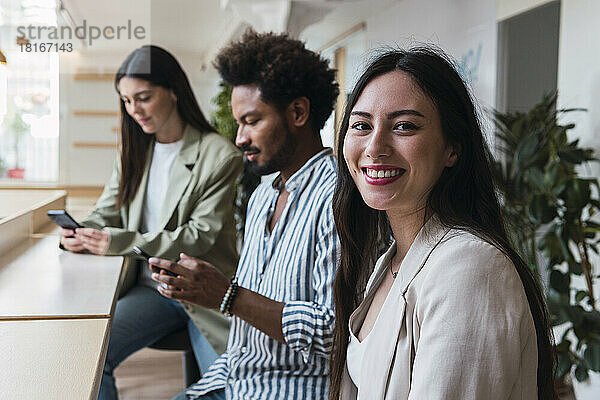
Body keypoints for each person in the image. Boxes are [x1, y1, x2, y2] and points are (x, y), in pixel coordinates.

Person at [329, 48, 557, 400]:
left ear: (452, 148)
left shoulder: (469, 267)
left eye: (404, 126)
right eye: (361, 125)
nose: (375, 147)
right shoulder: (388, 263)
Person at [148, 30, 340, 400]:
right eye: (239, 123)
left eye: (251, 121)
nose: (239, 138)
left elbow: (332, 333)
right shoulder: (263, 195)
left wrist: (227, 295)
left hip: (292, 391)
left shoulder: (337, 199)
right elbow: (247, 336)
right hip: (235, 379)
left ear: (298, 112)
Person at [59, 45, 242, 400]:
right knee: (90, 357)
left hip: (203, 290)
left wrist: (116, 241)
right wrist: (80, 231)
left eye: (143, 97)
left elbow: (198, 237)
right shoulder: (134, 150)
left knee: (226, 386)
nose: (134, 110)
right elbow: (107, 211)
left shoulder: (219, 155)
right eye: (126, 101)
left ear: (173, 90)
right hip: (151, 289)